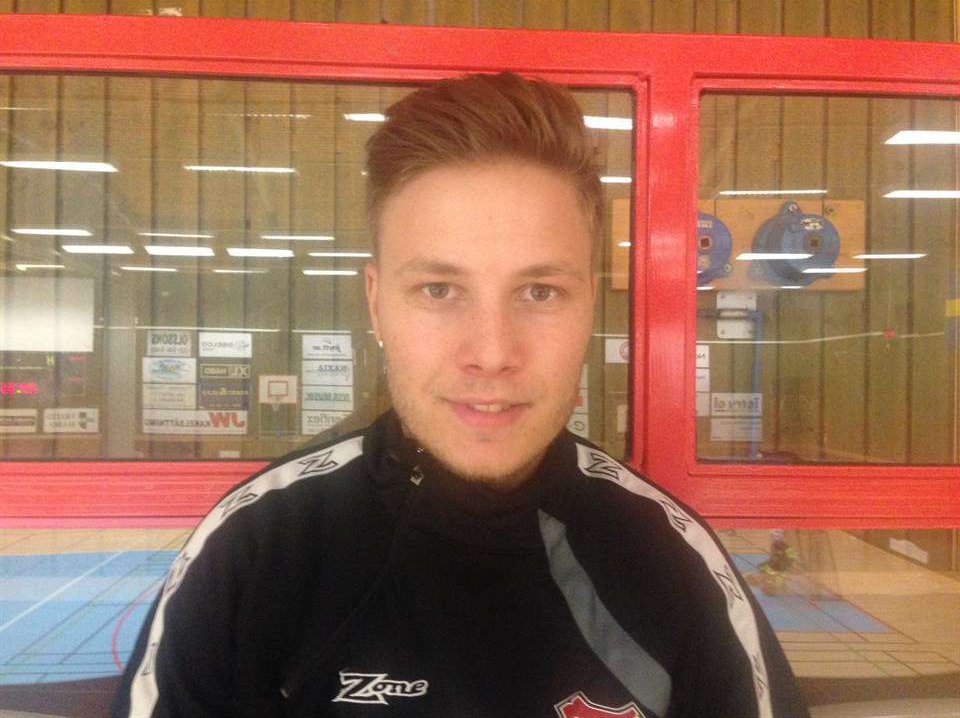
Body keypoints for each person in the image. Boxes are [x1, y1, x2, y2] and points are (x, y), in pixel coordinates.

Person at [112, 72, 808, 718]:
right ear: (377, 304)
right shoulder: (254, 554)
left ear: (589, 305)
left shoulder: (674, 569)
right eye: (439, 289)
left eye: (540, 292)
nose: (493, 352)